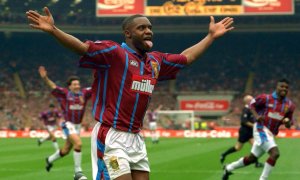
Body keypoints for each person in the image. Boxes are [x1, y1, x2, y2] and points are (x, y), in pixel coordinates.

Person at [26, 7, 234, 180]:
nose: (148, 31)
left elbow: (186, 58)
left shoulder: (155, 61)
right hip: (111, 135)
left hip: (136, 138)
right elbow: (82, 48)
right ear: (128, 33)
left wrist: (210, 37)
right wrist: (54, 30)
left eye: (150, 28)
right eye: (141, 28)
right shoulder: (115, 53)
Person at [222, 79, 295, 180]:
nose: (284, 89)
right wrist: (256, 115)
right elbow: (252, 104)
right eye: (282, 86)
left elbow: (289, 124)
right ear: (277, 87)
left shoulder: (289, 105)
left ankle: (228, 168)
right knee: (275, 153)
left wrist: (287, 122)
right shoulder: (265, 98)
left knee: (251, 159)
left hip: (271, 133)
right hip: (261, 129)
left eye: (286, 87)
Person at [38, 66, 92, 180]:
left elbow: (96, 87)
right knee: (78, 144)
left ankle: (49, 160)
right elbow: (53, 86)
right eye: (75, 84)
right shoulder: (64, 94)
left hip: (77, 126)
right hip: (68, 124)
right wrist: (45, 78)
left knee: (66, 150)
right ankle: (78, 172)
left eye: (78, 84)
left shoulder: (84, 93)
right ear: (69, 86)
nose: (77, 86)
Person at [220, 95, 263, 168]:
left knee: (255, 146)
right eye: (252, 100)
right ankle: (223, 154)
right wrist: (255, 126)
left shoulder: (251, 109)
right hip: (244, 132)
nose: (253, 101)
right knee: (237, 148)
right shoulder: (246, 109)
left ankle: (256, 163)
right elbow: (244, 121)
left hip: (249, 132)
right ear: (248, 101)